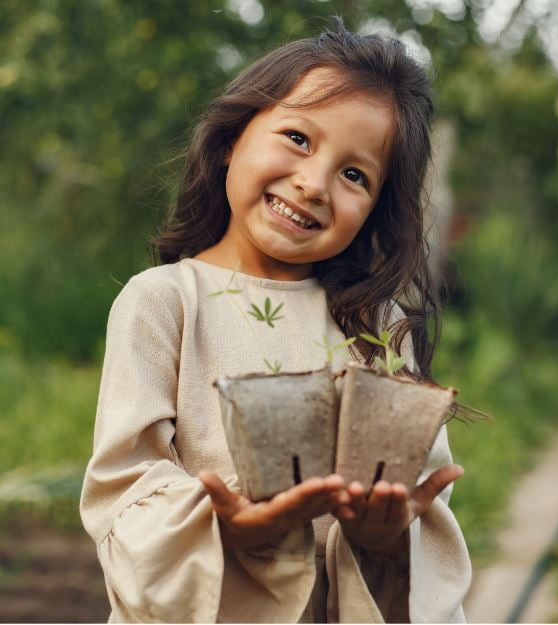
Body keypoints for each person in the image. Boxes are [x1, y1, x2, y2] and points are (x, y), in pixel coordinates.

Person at [80, 18, 472, 623]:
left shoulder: (378, 325)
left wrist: (383, 534)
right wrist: (223, 525)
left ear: (373, 210)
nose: (313, 183)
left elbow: (412, 507)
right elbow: (124, 488)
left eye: (354, 175)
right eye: (298, 137)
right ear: (233, 138)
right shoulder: (164, 300)